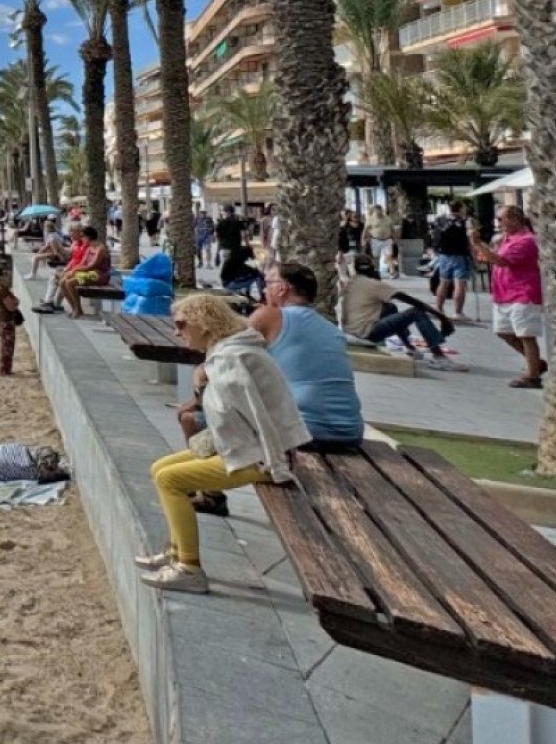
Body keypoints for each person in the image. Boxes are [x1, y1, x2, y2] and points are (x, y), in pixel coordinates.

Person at [137, 295, 309, 593]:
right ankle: (176, 550)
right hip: (252, 449)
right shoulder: (228, 353)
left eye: (181, 324)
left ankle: (188, 567)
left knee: (170, 480)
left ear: (203, 324)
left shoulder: (233, 360)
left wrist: (274, 464)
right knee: (159, 468)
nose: (177, 332)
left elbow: (259, 418)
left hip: (263, 457)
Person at [249, 261, 364, 449]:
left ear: (282, 288)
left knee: (196, 419)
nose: (263, 290)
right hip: (350, 432)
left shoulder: (269, 316)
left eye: (267, 283)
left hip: (305, 430)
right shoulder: (331, 329)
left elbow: (227, 350)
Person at [335, 254, 461, 372]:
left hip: (350, 330)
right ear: (372, 267)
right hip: (367, 332)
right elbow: (413, 302)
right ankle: (438, 356)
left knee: (390, 308)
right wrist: (442, 318)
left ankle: (410, 349)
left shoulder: (352, 281)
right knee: (416, 312)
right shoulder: (375, 285)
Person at [473, 205, 545, 388]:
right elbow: (490, 258)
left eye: (501, 219)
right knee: (504, 332)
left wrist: (478, 243)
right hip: (503, 293)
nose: (498, 223)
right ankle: (535, 363)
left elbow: (501, 261)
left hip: (522, 292)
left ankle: (532, 376)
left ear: (514, 219)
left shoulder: (527, 240)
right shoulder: (506, 239)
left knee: (526, 334)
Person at [431, 200, 475, 322]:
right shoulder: (465, 221)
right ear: (460, 208)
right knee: (459, 284)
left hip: (444, 254)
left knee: (443, 282)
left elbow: (435, 235)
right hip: (460, 254)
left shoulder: (440, 219)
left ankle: (439, 308)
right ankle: (458, 312)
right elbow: (470, 238)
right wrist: (474, 253)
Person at [0, 269, 23, 377]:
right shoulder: (2, 290)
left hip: (2, 320)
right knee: (7, 347)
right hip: (6, 321)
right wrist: (16, 302)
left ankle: (6, 369)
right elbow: (10, 306)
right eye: (5, 274)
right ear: (0, 277)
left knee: (6, 346)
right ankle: (5, 370)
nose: (7, 276)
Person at [364, 204, 396, 278]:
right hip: (375, 240)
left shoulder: (388, 218)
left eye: (380, 211)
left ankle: (392, 272)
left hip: (387, 239)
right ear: (374, 211)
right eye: (376, 211)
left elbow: (392, 229)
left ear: (382, 210)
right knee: (376, 257)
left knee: (389, 256)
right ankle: (376, 271)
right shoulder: (370, 219)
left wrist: (394, 238)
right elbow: (365, 230)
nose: (378, 213)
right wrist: (363, 239)